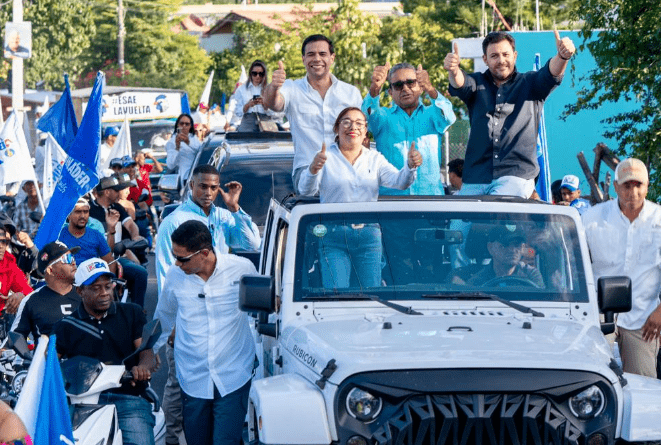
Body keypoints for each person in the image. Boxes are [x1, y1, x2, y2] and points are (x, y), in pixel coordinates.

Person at [155, 164, 260, 445]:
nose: (209, 193)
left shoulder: (225, 221)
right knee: (179, 395)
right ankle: (170, 438)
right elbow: (169, 275)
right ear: (191, 185)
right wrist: (168, 334)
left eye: (214, 187)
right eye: (203, 186)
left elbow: (253, 243)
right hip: (191, 351)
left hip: (232, 369)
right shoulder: (173, 225)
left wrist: (236, 209)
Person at [298, 107, 421, 288]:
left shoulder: (374, 158)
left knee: (371, 294)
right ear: (337, 129)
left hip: (368, 235)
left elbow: (400, 182)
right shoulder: (325, 157)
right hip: (333, 235)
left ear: (365, 132)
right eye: (346, 122)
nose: (352, 127)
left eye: (359, 123)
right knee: (337, 292)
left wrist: (410, 166)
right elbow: (305, 191)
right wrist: (313, 169)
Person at [444, 30, 575, 197]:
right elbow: (460, 83)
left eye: (506, 54)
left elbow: (550, 73)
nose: (501, 60)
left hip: (516, 175)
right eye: (494, 56)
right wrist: (454, 70)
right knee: (457, 224)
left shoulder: (530, 83)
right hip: (476, 177)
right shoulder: (476, 83)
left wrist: (562, 57)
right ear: (485, 59)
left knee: (495, 212)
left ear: (515, 55)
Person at [53, 258, 158, 445]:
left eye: (108, 286)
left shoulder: (131, 313)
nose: (104, 293)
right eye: (95, 288)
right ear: (80, 291)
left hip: (128, 398)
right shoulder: (65, 326)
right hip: (81, 402)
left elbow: (146, 353)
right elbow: (51, 363)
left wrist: (142, 368)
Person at [582, 158, 661, 377]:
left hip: (645, 317)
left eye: (638, 185)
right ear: (616, 187)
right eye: (627, 185)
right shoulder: (591, 219)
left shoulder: (660, 220)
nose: (633, 192)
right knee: (592, 377)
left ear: (647, 187)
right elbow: (575, 264)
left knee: (644, 382)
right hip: (597, 315)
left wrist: (660, 312)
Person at [262, 34, 363, 192]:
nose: (317, 59)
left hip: (345, 172)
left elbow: (361, 135)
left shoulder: (350, 93)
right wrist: (274, 87)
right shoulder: (292, 88)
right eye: (311, 54)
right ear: (303, 59)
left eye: (322, 54)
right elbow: (272, 103)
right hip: (307, 172)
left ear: (332, 58)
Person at [362, 62, 456, 195]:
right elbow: (365, 117)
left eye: (411, 82)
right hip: (392, 201)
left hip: (430, 200)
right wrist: (374, 89)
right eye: (398, 85)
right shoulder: (383, 118)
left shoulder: (432, 114)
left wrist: (430, 88)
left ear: (420, 87)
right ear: (390, 92)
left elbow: (449, 117)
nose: (405, 88)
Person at [89, 173, 148, 307]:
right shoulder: (88, 210)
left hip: (116, 256)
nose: (119, 193)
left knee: (140, 273)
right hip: (94, 259)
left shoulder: (118, 207)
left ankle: (137, 310)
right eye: (116, 190)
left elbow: (131, 225)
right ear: (107, 192)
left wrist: (135, 236)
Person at [11, 241, 81, 342]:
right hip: (48, 356)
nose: (73, 262)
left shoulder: (86, 294)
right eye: (67, 259)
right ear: (50, 270)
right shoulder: (31, 301)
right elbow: (15, 338)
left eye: (73, 257)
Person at [451, 225, 544, 287]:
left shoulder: (531, 274)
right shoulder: (477, 281)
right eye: (504, 245)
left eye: (517, 245)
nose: (512, 250)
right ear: (490, 247)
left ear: (523, 247)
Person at [58, 197, 117, 274]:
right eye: (78, 212)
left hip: (92, 281)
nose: (82, 216)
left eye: (85, 212)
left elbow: (110, 262)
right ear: (69, 216)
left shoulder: (96, 235)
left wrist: (111, 283)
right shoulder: (58, 237)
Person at [0, 226, 32, 315]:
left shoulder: (9, 264)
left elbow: (28, 291)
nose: (1, 246)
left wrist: (21, 295)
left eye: (4, 241)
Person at [165, 114, 202, 187]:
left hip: (200, 176)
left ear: (191, 126)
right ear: (178, 125)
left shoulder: (194, 139)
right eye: (182, 123)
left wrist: (188, 142)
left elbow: (201, 151)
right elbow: (170, 165)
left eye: (187, 124)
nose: (184, 126)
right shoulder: (171, 142)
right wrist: (177, 148)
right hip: (186, 178)